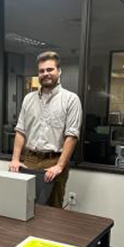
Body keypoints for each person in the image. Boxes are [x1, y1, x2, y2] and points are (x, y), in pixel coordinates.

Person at [8, 50, 82, 208]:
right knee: (24, 205)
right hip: (30, 159)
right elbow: (20, 131)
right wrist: (15, 159)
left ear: (59, 71)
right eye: (42, 71)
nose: (45, 74)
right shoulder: (29, 99)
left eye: (50, 69)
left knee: (52, 210)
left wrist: (60, 166)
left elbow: (72, 136)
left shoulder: (70, 100)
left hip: (54, 160)